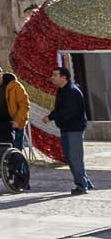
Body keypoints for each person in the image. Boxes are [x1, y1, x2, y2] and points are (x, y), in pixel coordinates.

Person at [51, 64, 93, 196]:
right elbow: (59, 110)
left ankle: (81, 186)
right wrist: (52, 116)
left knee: (75, 158)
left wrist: (52, 117)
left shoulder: (72, 91)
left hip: (74, 129)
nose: (52, 78)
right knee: (70, 157)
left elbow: (67, 112)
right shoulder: (62, 90)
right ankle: (86, 182)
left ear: (64, 77)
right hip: (66, 129)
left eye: (55, 75)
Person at [0, 65, 31, 150]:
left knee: (16, 150)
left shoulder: (16, 86)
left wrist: (17, 121)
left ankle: (17, 162)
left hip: (15, 121)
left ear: (0, 75)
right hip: (0, 122)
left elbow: (24, 105)